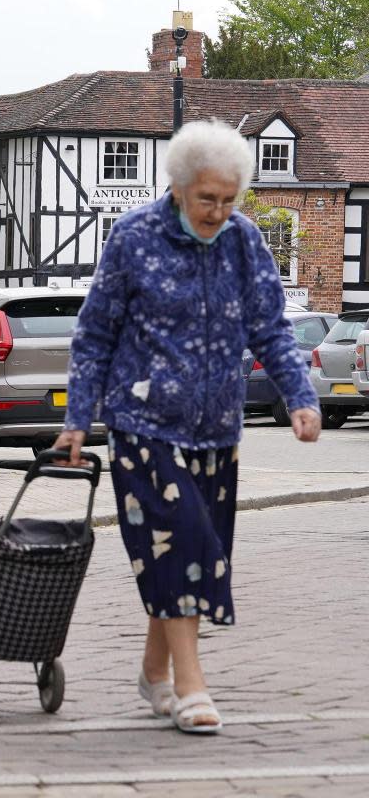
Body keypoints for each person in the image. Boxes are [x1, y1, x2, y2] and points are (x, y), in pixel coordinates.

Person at [53, 120, 320, 734]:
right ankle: (192, 685)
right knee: (188, 543)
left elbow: (271, 329)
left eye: (229, 201)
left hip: (217, 428)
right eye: (207, 199)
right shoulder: (134, 238)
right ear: (177, 188)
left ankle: (154, 671)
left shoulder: (245, 242)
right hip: (143, 423)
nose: (218, 212)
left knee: (186, 551)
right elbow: (95, 336)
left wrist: (300, 397)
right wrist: (77, 421)